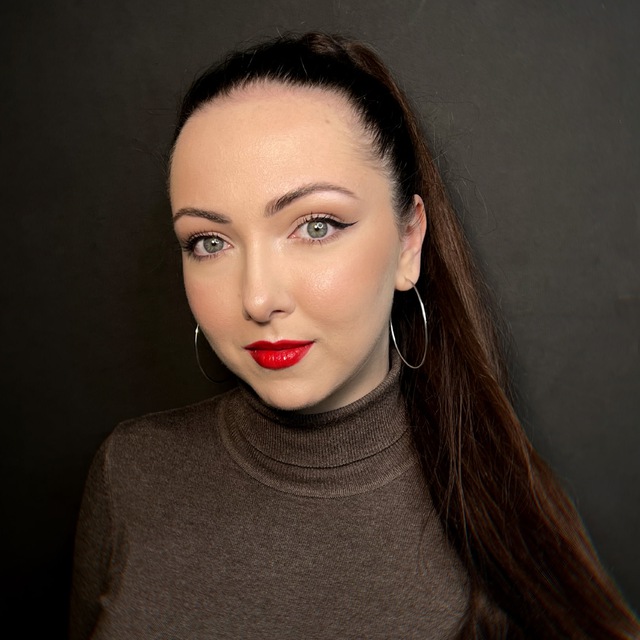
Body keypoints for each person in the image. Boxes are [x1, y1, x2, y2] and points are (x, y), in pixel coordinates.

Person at [70, 33, 639, 639]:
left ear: (408, 241)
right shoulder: (131, 475)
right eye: (209, 242)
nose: (257, 299)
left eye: (316, 226)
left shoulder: (511, 517)